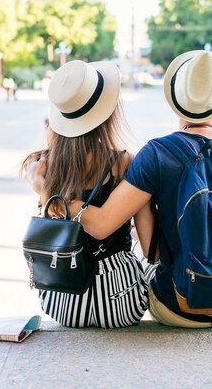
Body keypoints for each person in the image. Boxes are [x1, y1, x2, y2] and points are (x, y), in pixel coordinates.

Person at [30, 51, 212, 328]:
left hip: (178, 310)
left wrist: (45, 190)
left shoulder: (155, 155)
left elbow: (151, 252)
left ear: (175, 101)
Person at [21, 60, 149, 328]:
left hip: (63, 302)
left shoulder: (42, 165)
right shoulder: (125, 163)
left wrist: (46, 192)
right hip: (121, 305)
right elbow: (148, 247)